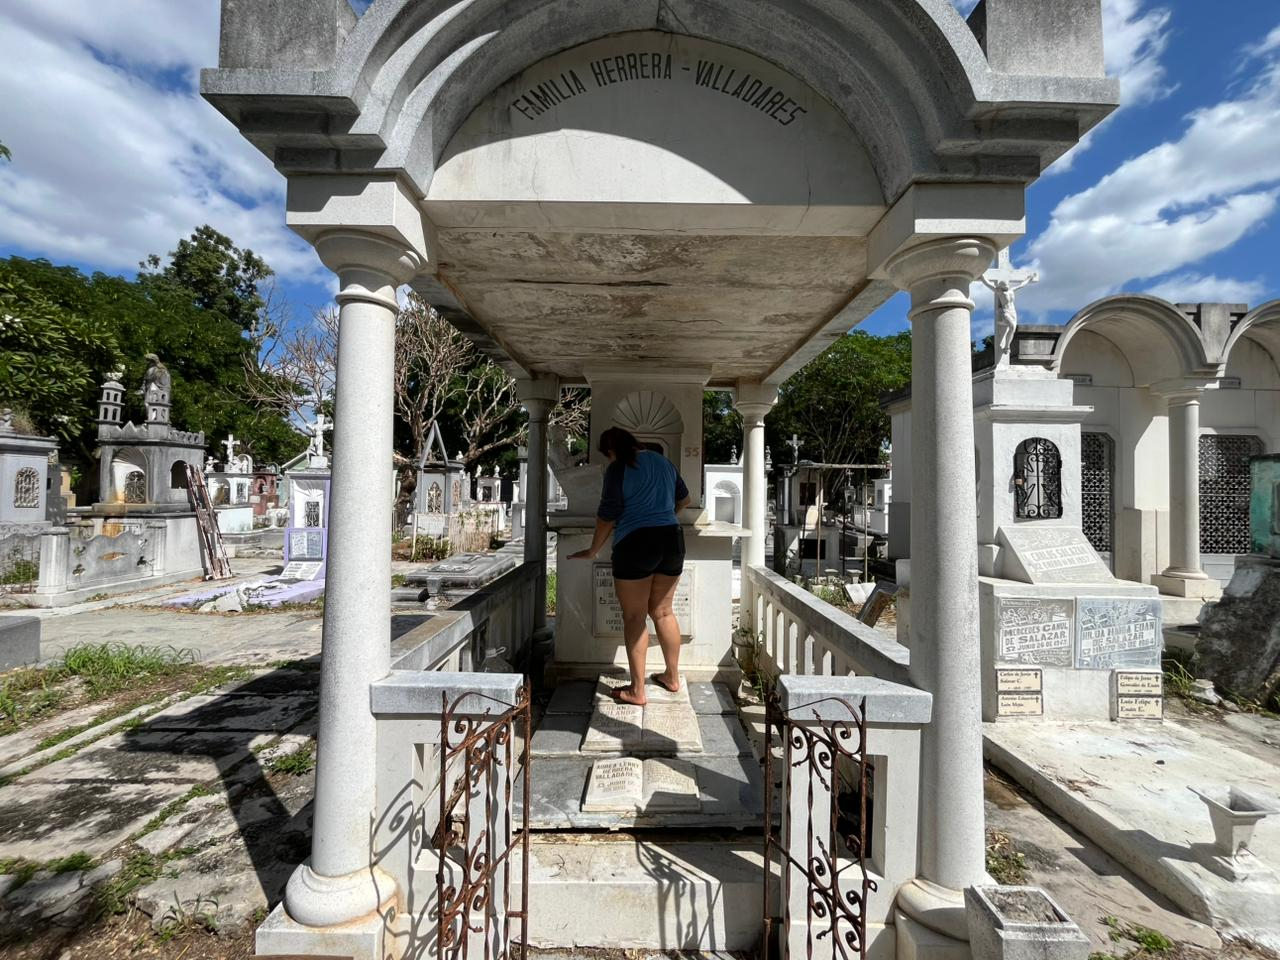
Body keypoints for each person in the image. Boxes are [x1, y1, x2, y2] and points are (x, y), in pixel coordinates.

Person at [569, 427, 692, 705]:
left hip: (636, 542)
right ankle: (672, 677)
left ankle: (637, 691)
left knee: (635, 617)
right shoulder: (664, 462)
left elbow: (607, 516)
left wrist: (592, 549)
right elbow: (685, 499)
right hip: (672, 539)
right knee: (663, 612)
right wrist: (664, 517)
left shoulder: (618, 468)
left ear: (610, 451)